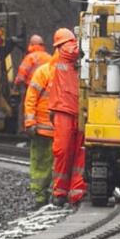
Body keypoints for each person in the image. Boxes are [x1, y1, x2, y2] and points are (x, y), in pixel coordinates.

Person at [47, 27, 86, 207]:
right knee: (66, 151)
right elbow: (73, 50)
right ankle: (61, 192)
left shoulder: (65, 60)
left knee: (78, 152)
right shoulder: (67, 51)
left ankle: (73, 192)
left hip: (77, 109)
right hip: (65, 109)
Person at [23, 57, 55, 205]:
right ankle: (49, 196)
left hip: (43, 129)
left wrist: (30, 123)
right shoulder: (70, 72)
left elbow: (30, 97)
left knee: (40, 163)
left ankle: (40, 196)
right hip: (57, 131)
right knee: (54, 164)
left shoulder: (42, 70)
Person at [12, 34, 50, 127]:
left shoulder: (30, 57)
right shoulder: (49, 57)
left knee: (27, 108)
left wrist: (15, 86)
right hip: (46, 91)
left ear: (32, 44)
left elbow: (21, 75)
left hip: (31, 89)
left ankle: (26, 129)